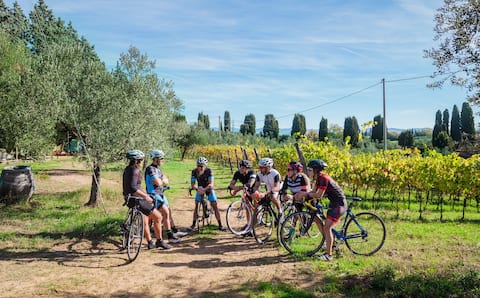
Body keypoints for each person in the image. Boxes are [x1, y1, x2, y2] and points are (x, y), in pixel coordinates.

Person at [294, 159, 347, 261]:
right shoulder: (318, 179)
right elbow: (312, 191)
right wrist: (303, 194)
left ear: (316, 170)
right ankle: (332, 245)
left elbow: (318, 195)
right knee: (321, 222)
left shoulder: (323, 178)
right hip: (334, 204)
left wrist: (305, 194)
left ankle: (329, 255)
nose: (308, 171)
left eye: (310, 169)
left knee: (327, 228)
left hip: (339, 204)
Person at [122, 149, 170, 250]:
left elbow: (134, 187)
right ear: (137, 161)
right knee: (158, 217)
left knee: (144, 219)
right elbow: (134, 188)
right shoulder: (135, 171)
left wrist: (144, 193)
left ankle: (149, 242)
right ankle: (159, 241)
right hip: (136, 199)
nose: (142, 162)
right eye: (141, 160)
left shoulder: (127, 169)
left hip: (129, 199)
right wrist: (146, 196)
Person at [145, 150, 186, 243]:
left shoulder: (158, 169)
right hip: (153, 194)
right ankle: (169, 236)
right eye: (161, 158)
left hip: (160, 193)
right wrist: (161, 180)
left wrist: (161, 180)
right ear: (156, 159)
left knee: (167, 212)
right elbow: (159, 182)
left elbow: (165, 180)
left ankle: (172, 233)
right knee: (165, 213)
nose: (162, 160)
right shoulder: (150, 169)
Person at [187, 157, 227, 231]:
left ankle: (220, 225)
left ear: (205, 166)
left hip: (208, 188)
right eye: (199, 166)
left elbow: (211, 184)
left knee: (214, 205)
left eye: (202, 166)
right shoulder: (194, 172)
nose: (200, 168)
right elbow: (192, 184)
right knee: (196, 205)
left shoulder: (209, 171)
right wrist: (197, 189)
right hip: (199, 189)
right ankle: (193, 224)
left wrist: (204, 189)